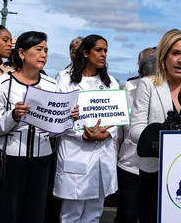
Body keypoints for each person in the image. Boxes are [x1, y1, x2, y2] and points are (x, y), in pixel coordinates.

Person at [129, 29, 181, 223]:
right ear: (164, 56)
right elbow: (135, 130)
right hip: (153, 173)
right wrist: (163, 141)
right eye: (176, 53)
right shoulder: (148, 85)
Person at [0, 31, 62, 223]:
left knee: (35, 215)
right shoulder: (1, 83)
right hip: (10, 161)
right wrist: (13, 115)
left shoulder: (52, 85)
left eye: (46, 50)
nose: (44, 54)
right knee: (7, 214)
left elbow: (58, 129)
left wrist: (67, 118)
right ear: (21, 53)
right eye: (38, 49)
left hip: (42, 161)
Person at [54, 34, 119, 222]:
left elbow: (118, 115)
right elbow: (58, 115)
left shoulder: (111, 83)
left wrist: (105, 133)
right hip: (76, 151)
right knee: (71, 214)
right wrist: (80, 133)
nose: (103, 54)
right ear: (85, 52)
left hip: (102, 153)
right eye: (99, 50)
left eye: (105, 50)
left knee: (95, 212)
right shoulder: (66, 80)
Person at [115, 47, 156, 223]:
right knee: (128, 214)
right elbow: (116, 135)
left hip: (155, 168)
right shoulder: (124, 97)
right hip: (129, 166)